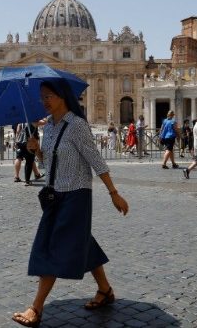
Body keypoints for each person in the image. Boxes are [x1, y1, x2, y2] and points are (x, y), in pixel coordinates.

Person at [12, 79, 129, 328]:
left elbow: (95, 160)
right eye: (42, 97)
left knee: (52, 245)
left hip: (76, 194)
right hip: (54, 194)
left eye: (48, 96)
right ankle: (105, 290)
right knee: (81, 240)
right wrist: (36, 152)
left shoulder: (76, 125)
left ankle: (36, 307)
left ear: (63, 96)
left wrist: (113, 192)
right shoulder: (50, 128)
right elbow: (48, 165)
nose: (44, 101)